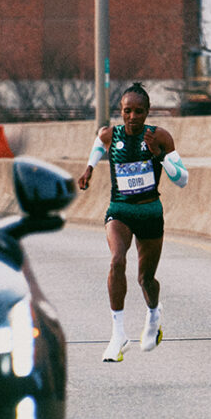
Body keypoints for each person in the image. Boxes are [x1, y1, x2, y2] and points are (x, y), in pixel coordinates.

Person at [77, 82, 189, 363]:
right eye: (128, 111)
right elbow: (98, 145)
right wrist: (89, 168)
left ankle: (153, 314)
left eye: (139, 112)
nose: (133, 117)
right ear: (121, 111)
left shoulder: (160, 137)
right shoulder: (109, 134)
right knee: (117, 260)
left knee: (145, 278)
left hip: (150, 211)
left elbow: (182, 180)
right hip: (120, 209)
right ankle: (118, 335)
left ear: (148, 112)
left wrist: (159, 156)